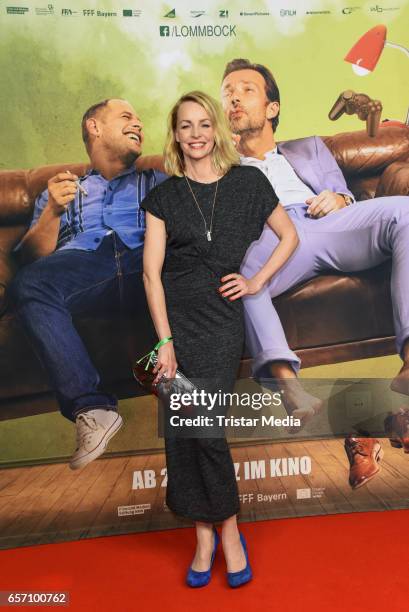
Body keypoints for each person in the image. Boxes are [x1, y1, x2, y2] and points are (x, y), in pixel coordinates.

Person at [221, 58, 409, 489]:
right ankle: (291, 391)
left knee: (405, 213)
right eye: (227, 90)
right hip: (268, 239)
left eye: (246, 89)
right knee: (242, 273)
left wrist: (340, 200)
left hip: (323, 222)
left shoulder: (308, 147)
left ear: (271, 108)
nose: (233, 95)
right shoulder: (217, 163)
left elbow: (342, 191)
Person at [141, 91, 298, 587]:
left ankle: (227, 531)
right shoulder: (164, 196)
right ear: (176, 134)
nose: (195, 135)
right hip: (176, 322)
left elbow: (289, 236)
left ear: (217, 130)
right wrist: (164, 342)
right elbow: (150, 274)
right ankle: (204, 535)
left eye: (203, 124)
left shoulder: (249, 183)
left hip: (219, 322)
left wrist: (255, 282)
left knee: (204, 428)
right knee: (183, 432)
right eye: (185, 126)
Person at [10, 98, 167, 470]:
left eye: (140, 121)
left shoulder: (157, 180)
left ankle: (182, 384)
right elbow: (31, 261)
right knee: (28, 284)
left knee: (188, 263)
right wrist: (51, 212)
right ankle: (93, 409)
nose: (138, 125)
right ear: (94, 128)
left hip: (143, 260)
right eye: (127, 117)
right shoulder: (59, 191)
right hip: (84, 264)